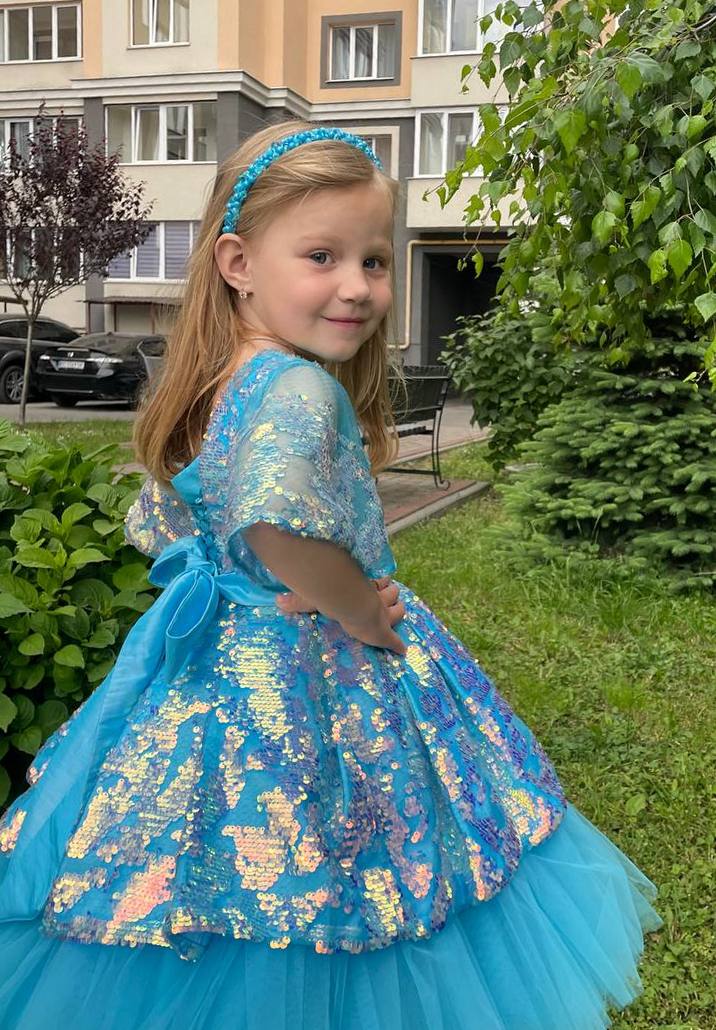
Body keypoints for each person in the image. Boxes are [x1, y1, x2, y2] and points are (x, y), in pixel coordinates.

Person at [0, 120, 661, 1030]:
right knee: (343, 853)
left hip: (215, 664)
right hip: (308, 666)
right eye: (322, 256)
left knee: (204, 853)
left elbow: (184, 524)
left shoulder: (221, 376)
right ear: (238, 263)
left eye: (375, 261)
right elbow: (274, 526)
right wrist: (358, 613)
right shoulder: (297, 387)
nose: (358, 286)